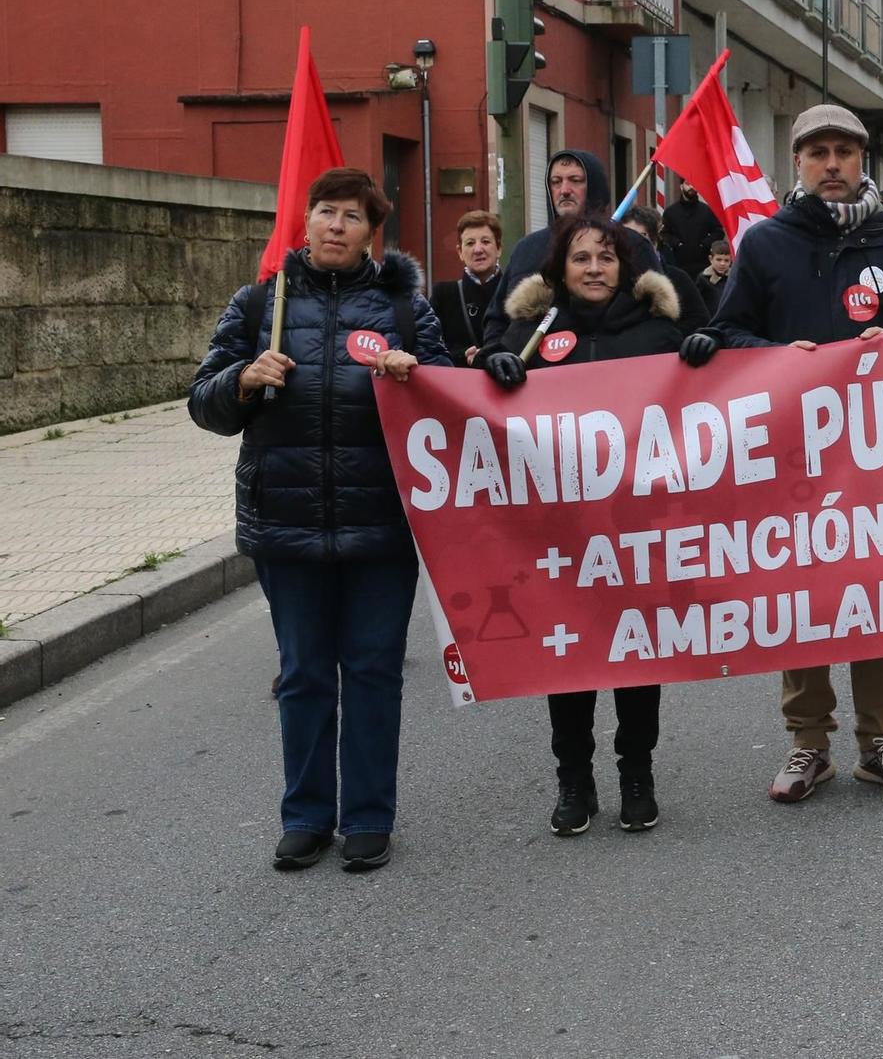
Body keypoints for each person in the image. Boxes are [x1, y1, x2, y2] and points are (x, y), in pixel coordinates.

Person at [189, 168, 454, 872]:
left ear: (374, 232)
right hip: (287, 522)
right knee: (303, 673)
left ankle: (369, 815)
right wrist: (242, 380)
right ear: (304, 222)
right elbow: (204, 402)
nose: (336, 225)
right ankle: (306, 814)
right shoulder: (257, 306)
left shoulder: (405, 310)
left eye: (352, 216)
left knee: (371, 670)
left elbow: (453, 403)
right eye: (325, 211)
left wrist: (416, 378)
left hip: (382, 527)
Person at [713, 103, 883, 803]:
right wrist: (775, 356)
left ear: (861, 162)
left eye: (843, 152)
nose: (830, 164)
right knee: (802, 594)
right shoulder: (765, 244)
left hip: (877, 454)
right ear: (798, 162)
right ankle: (807, 743)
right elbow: (726, 333)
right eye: (817, 151)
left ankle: (880, 740)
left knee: (876, 590)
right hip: (793, 456)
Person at [481, 214, 718, 836]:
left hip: (638, 529)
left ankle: (637, 773)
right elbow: (485, 399)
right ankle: (573, 777)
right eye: (581, 258)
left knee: (638, 654)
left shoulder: (656, 333)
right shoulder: (531, 330)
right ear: (560, 267)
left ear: (626, 268)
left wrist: (700, 357)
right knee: (570, 657)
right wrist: (498, 365)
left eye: (606, 259)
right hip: (560, 531)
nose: (593, 269)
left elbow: (702, 411)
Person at [482, 151, 659, 345]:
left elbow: (660, 314)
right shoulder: (527, 249)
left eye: (575, 180)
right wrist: (496, 356)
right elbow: (497, 320)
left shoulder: (634, 246)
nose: (564, 190)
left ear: (595, 187)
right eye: (556, 182)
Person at [429, 209, 504, 367]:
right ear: (460, 252)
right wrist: (463, 356)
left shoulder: (515, 292)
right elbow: (429, 349)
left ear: (499, 249)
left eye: (485, 242)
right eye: (470, 243)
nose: (478, 250)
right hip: (459, 387)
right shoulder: (443, 295)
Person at [658, 179, 726, 279]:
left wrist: (704, 244)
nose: (691, 187)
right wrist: (677, 244)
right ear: (681, 186)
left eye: (694, 184)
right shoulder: (671, 212)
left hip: (703, 264)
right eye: (688, 184)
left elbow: (718, 231)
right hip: (678, 263)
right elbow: (664, 233)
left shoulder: (706, 211)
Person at [696, 235, 733, 315]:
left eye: (726, 261)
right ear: (711, 259)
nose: (722, 263)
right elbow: (698, 303)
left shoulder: (734, 279)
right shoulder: (703, 278)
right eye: (718, 260)